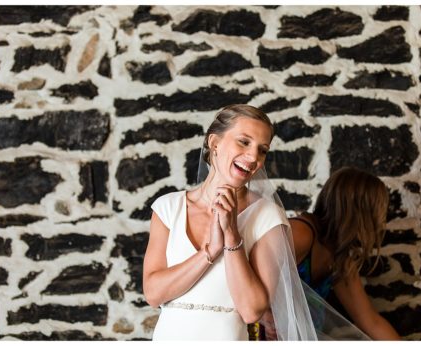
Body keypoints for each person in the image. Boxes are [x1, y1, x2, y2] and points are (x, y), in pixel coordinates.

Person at [142, 104, 315, 340]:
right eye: (244, 142)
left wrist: (232, 237)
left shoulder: (268, 217)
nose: (254, 157)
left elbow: (251, 310)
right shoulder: (168, 208)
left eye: (262, 150)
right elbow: (153, 294)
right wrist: (210, 251)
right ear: (214, 143)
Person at [287, 167, 401, 340]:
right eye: (378, 213)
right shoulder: (301, 234)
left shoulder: (340, 257)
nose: (381, 222)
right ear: (358, 213)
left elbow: (370, 321)